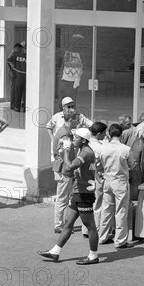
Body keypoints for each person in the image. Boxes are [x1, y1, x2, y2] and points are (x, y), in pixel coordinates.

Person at [38, 128, 100, 265]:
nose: (73, 140)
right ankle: (55, 252)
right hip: (78, 192)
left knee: (90, 226)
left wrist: (65, 151)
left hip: (84, 194)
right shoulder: (82, 151)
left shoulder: (86, 152)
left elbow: (70, 166)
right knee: (68, 223)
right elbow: (71, 170)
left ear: (83, 140)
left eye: (75, 138)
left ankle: (93, 255)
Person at [47, 97, 93, 234]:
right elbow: (63, 154)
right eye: (75, 122)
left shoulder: (64, 131)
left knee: (66, 196)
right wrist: (71, 166)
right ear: (70, 121)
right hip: (64, 169)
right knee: (62, 197)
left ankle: (63, 223)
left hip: (65, 168)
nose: (77, 124)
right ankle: (59, 225)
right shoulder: (65, 135)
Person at [97, 123, 135, 248]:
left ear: (109, 133)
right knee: (121, 211)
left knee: (106, 209)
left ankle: (102, 236)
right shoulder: (126, 149)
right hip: (120, 181)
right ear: (121, 134)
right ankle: (120, 240)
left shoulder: (103, 148)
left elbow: (98, 165)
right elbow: (132, 165)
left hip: (107, 180)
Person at [80, 121, 109, 240]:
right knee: (97, 204)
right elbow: (99, 165)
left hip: (85, 177)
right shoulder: (99, 147)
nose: (105, 135)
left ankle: (85, 228)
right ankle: (93, 228)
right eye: (104, 133)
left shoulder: (86, 145)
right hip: (96, 177)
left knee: (86, 204)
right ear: (98, 134)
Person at [58, 34, 84, 102]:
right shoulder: (70, 53)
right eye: (79, 43)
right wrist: (77, 79)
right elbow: (72, 66)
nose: (80, 45)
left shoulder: (76, 53)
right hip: (68, 81)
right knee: (67, 100)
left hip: (69, 81)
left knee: (70, 100)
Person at [7, 41, 26, 111]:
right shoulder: (16, 54)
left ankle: (17, 106)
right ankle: (15, 106)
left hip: (17, 74)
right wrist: (14, 68)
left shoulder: (18, 54)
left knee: (18, 91)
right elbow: (9, 60)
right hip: (16, 75)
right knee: (16, 91)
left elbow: (9, 59)